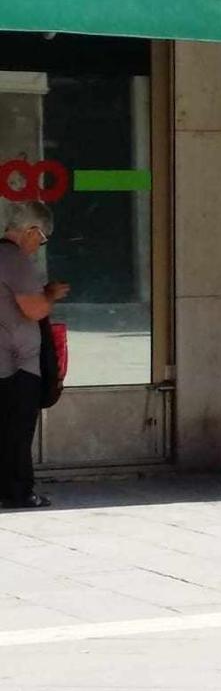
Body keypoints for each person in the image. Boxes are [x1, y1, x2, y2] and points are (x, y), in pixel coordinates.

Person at [0, 202, 69, 509]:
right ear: (30, 231)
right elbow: (35, 309)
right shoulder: (14, 260)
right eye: (42, 239)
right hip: (17, 364)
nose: (39, 246)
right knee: (17, 432)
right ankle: (19, 492)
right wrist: (50, 294)